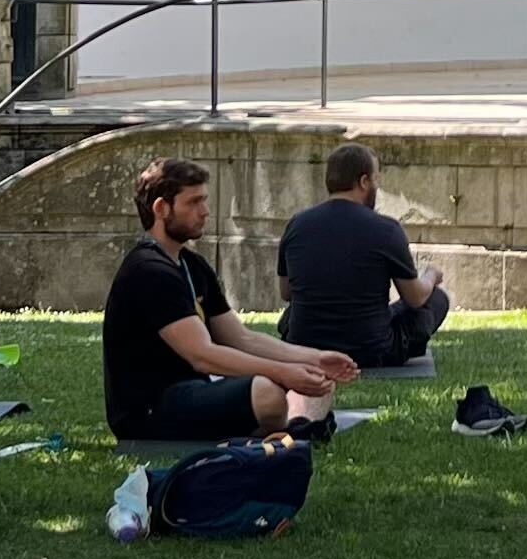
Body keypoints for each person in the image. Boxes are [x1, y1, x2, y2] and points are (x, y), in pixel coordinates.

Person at [106, 158, 354, 443]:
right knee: (267, 392)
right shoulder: (148, 270)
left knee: (316, 378)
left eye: (205, 200)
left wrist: (314, 358)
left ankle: (293, 430)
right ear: (161, 208)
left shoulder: (192, 265)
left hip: (196, 391)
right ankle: (297, 429)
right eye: (194, 202)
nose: (205, 211)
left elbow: (241, 338)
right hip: (151, 409)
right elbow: (202, 355)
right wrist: (284, 373)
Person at [276, 141, 448, 368]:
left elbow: (286, 292)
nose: (378, 186)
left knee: (294, 313)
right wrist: (431, 275)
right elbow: (415, 297)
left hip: (305, 346)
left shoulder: (297, 224)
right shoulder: (387, 229)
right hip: (372, 349)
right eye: (376, 179)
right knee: (436, 299)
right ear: (364, 181)